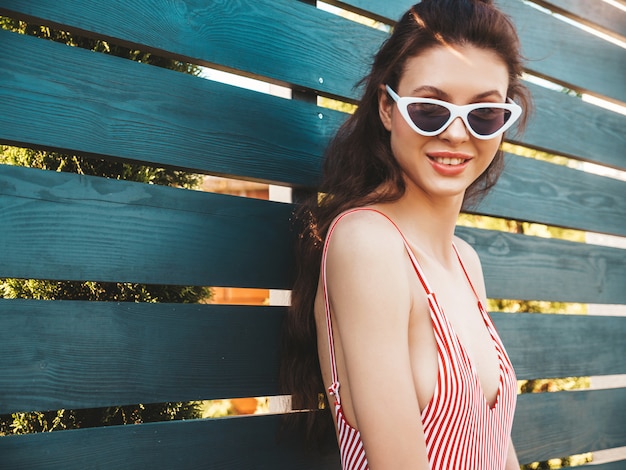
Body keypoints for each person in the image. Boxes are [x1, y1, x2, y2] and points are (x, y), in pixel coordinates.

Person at [280, 0, 532, 468]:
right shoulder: (368, 244)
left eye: (484, 115)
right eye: (429, 110)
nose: (458, 134)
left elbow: (497, 452)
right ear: (387, 109)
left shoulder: (464, 261)